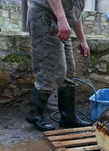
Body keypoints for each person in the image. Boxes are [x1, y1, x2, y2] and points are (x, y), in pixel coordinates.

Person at [26, 0, 92, 131]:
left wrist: (82, 40)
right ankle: (35, 115)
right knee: (51, 70)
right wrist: (61, 19)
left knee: (68, 71)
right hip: (44, 17)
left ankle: (68, 117)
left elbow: (74, 16)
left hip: (62, 23)